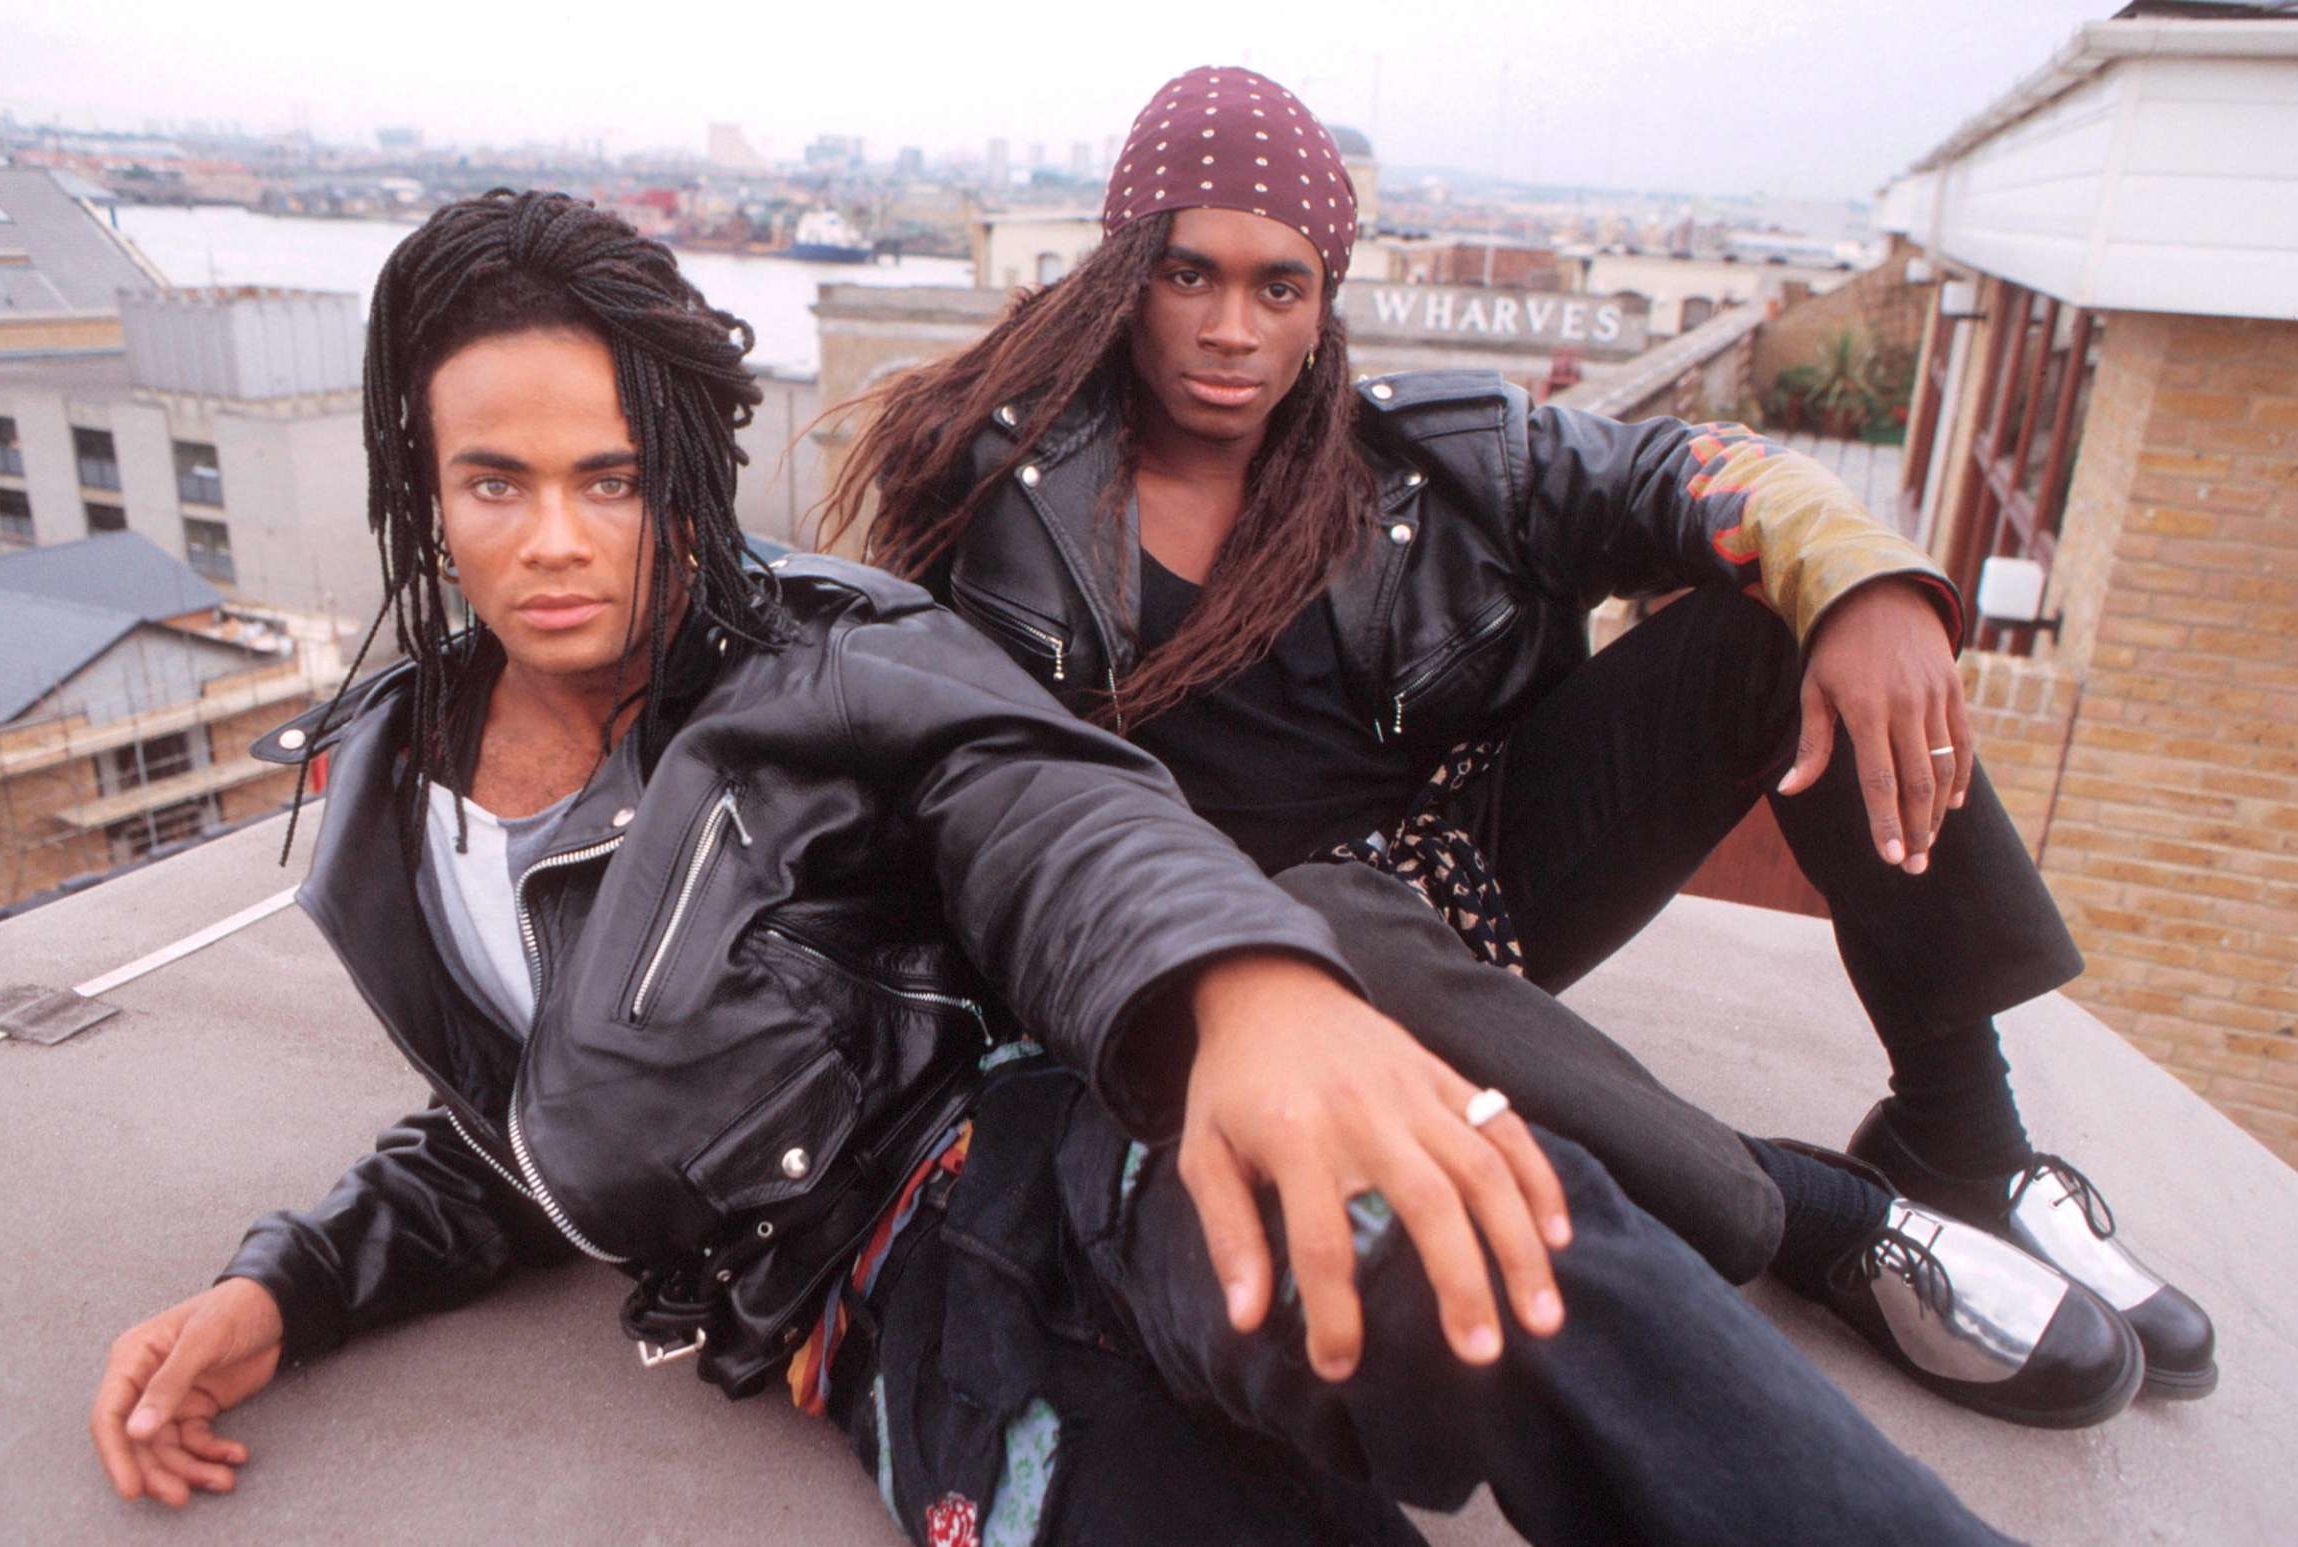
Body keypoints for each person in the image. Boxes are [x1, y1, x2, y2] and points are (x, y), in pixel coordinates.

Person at [89, 191, 2014, 1546]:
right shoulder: (380, 805)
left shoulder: (819, 653)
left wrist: (1240, 990)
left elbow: (1039, 799)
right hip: (894, 1343)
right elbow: (527, 1110)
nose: (557, 541)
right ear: (422, 491)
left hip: (1070, 1141)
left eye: (614, 478)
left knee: (1468, 1232)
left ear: (682, 474)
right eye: (496, 482)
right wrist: (288, 1288)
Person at [824, 64, 2217, 1427]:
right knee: (1318, 917)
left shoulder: (1441, 463)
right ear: (1126, 275)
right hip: (1177, 966)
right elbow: (926, 760)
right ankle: (1814, 1216)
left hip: (1456, 895)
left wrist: (1864, 585)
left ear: (1325, 301)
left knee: (1780, 636)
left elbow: (1686, 472)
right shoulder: (998, 488)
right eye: (1190, 275)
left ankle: (1963, 1137)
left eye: (1279, 286)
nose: (1232, 329)